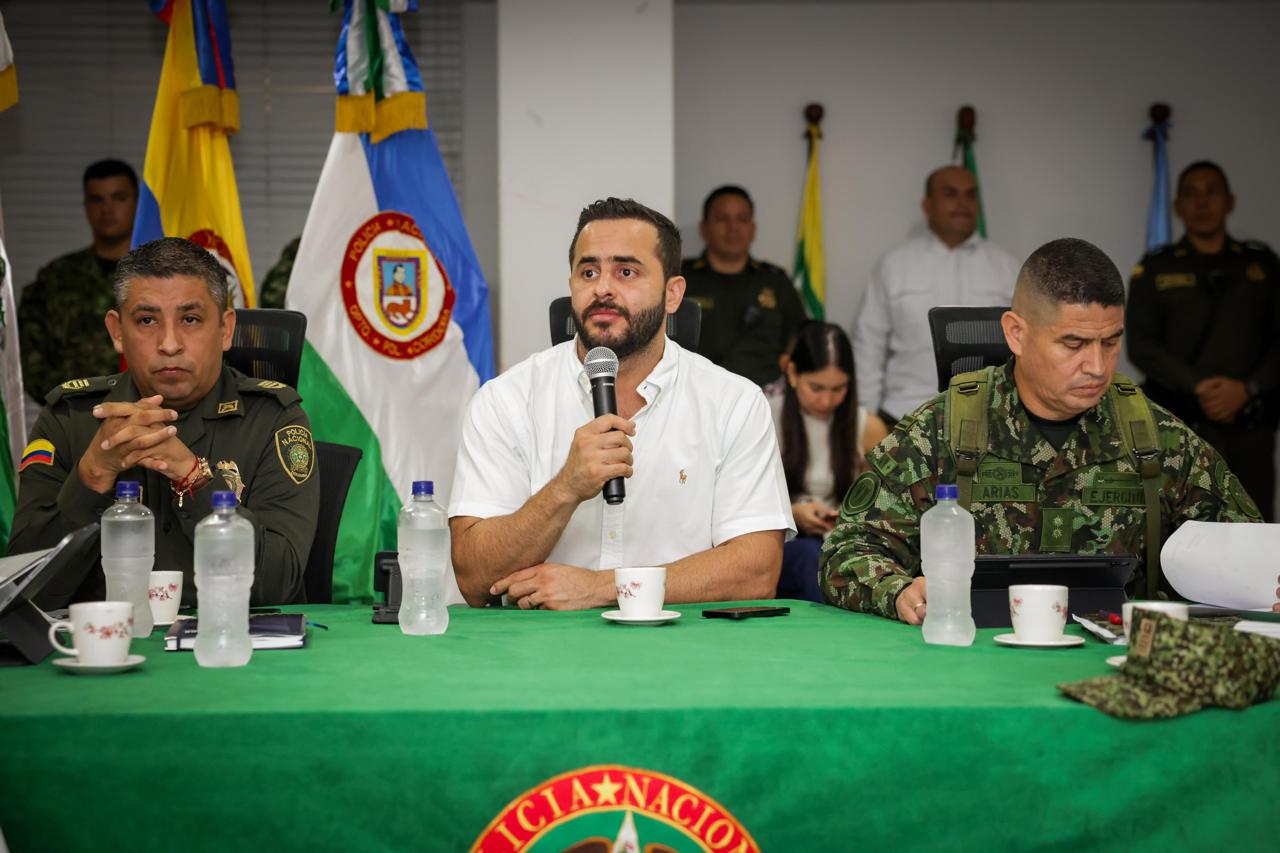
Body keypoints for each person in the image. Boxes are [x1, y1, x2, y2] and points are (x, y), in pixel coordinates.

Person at [821, 237, 1278, 624]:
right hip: (972, 662)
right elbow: (847, 551)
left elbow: (1249, 555)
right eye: (1074, 343)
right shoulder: (940, 433)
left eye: (1110, 342)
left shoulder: (1157, 439)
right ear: (1017, 334)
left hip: (1114, 667)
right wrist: (898, 590)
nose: (1096, 367)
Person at [450, 197, 794, 610]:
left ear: (672, 294)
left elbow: (757, 571)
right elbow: (473, 579)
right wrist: (566, 487)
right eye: (588, 271)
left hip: (684, 651)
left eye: (626, 272)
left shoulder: (734, 402)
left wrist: (602, 588)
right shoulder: (505, 400)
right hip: (542, 652)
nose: (602, 288)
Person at [7, 237, 320, 608]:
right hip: (105, 651)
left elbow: (279, 583)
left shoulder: (273, 419)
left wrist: (194, 477)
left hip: (227, 648)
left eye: (190, 319)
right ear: (117, 332)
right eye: (146, 320)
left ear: (224, 330)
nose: (169, 344)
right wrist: (91, 476)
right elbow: (23, 592)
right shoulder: (70, 419)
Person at [1126, 160, 1280, 520]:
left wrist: (1248, 389)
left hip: (1250, 426)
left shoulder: (1262, 265)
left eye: (1211, 193)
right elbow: (1142, 345)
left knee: (1252, 527)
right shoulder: (1156, 268)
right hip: (1181, 424)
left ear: (1230, 201)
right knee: (1179, 526)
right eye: (1191, 195)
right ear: (1178, 207)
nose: (1202, 203)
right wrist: (1200, 388)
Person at [853, 165, 1021, 426]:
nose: (962, 203)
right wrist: (866, 419)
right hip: (904, 416)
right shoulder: (895, 265)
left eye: (970, 195)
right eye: (951, 194)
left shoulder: (1007, 268)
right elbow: (869, 344)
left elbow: (1026, 343)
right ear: (927, 205)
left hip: (989, 417)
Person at [767, 321, 887, 601]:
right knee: (812, 557)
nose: (826, 400)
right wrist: (794, 514)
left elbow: (883, 507)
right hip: (785, 542)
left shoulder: (866, 426)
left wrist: (845, 520)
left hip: (842, 544)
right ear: (793, 373)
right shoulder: (765, 415)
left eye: (838, 389)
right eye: (817, 387)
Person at [19, 159, 139, 404]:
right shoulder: (56, 278)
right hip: (74, 418)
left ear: (137, 203)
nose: (107, 209)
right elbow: (29, 359)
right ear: (85, 205)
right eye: (97, 199)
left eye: (118, 198)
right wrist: (72, 403)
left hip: (154, 413)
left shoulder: (162, 273)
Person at [681, 185, 806, 387]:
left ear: (753, 228)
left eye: (742, 219)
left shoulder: (775, 281)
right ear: (704, 228)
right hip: (696, 393)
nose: (733, 228)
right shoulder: (682, 279)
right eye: (722, 219)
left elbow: (798, 338)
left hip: (764, 398)